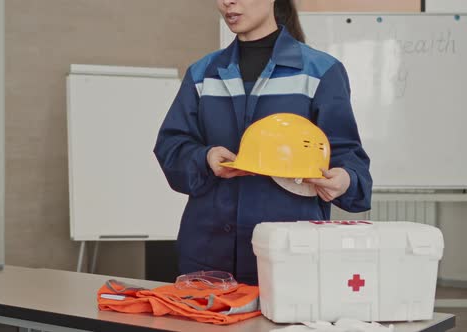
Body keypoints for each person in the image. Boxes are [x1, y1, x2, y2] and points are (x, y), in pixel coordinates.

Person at [153, 0, 372, 285]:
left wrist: (345, 179)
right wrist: (205, 158)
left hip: (289, 251)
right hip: (208, 253)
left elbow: (347, 156)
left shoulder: (320, 72)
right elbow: (171, 145)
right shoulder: (202, 74)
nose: (227, 2)